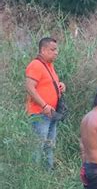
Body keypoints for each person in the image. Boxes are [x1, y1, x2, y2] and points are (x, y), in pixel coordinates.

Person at [25, 37, 66, 169]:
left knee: (49, 146)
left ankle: (47, 175)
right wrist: (44, 105)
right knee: (38, 146)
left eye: (56, 49)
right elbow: (30, 87)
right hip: (40, 113)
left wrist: (60, 86)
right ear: (43, 50)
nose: (56, 52)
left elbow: (47, 85)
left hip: (51, 113)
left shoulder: (49, 66)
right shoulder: (35, 65)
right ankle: (35, 176)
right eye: (52, 50)